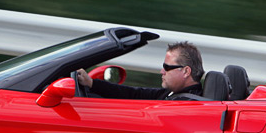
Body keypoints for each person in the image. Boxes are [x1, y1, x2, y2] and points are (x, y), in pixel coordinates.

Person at [75, 41, 205, 100]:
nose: (162, 71)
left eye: (167, 67)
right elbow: (133, 94)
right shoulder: (172, 94)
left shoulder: (187, 105)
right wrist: (91, 83)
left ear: (186, 71)